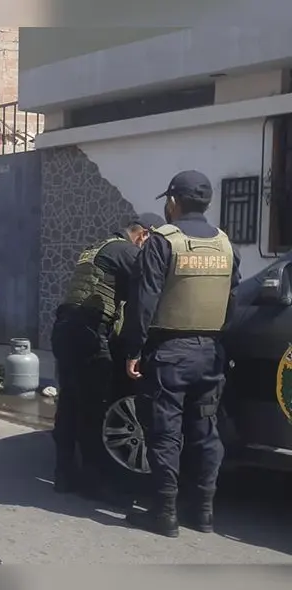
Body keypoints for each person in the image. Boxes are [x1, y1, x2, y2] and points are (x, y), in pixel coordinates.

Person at [121, 171, 241, 538]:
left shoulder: (163, 241)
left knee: (165, 434)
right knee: (206, 432)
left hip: (170, 353)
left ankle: (165, 513)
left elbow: (144, 302)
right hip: (211, 353)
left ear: (173, 202)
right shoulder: (225, 243)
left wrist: (133, 349)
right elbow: (232, 299)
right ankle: (203, 512)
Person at [49, 212, 164, 503]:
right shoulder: (126, 251)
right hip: (88, 332)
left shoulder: (100, 246)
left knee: (70, 402)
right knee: (93, 406)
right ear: (144, 236)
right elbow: (150, 285)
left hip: (66, 329)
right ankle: (93, 481)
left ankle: (63, 473)